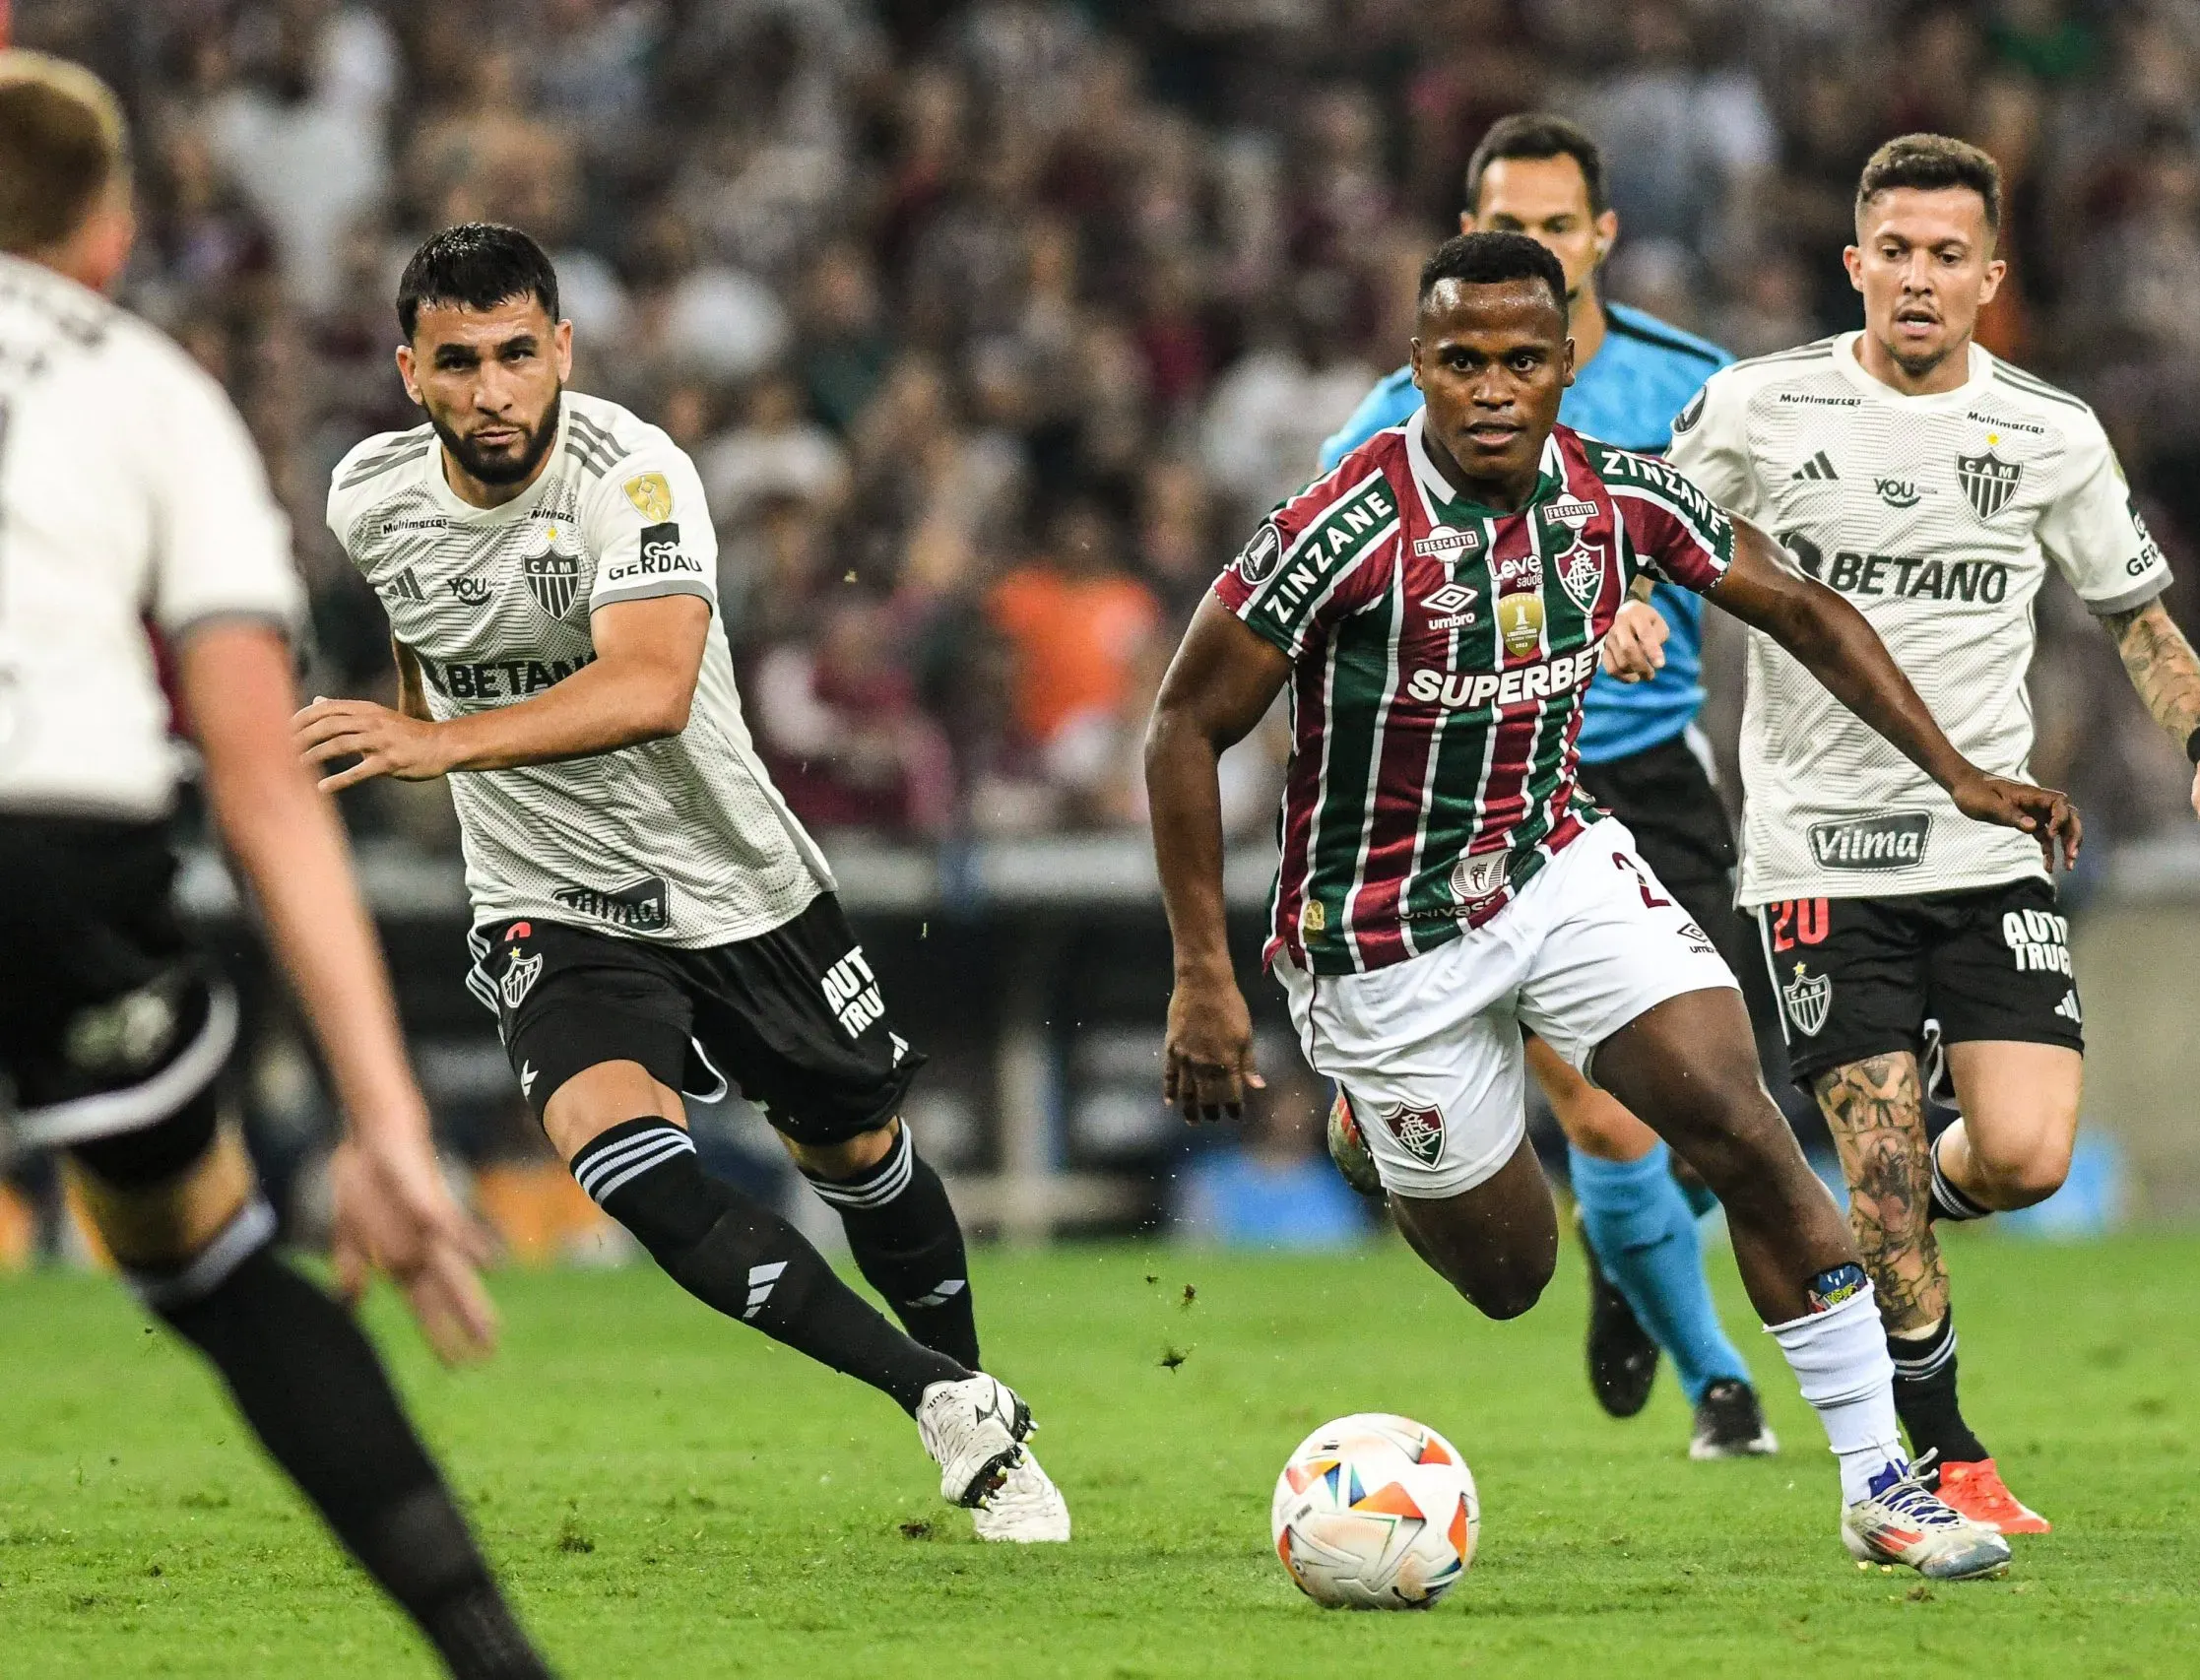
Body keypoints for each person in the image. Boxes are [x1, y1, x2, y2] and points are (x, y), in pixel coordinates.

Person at [1147, 229, 2085, 1580]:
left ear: (1561, 370)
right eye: (1459, 359)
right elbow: (1183, 727)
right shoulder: (1339, 531)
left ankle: (1884, 1481)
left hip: (1552, 862)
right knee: (1513, 1273)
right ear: (1417, 366)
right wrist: (1203, 972)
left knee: (1742, 1125)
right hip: (1382, 941)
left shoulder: (1615, 502)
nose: (1489, 387)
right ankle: (1374, 1124)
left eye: (1521, 360)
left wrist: (1961, 773)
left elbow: (1806, 609)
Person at [300, 223, 1068, 1542]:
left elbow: (651, 688)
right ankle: (945, 1407)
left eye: (519, 356)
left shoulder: (636, 476)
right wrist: (412, 727)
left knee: (857, 1153)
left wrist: (433, 745)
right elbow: (435, 649)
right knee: (628, 1163)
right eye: (461, 362)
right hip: (548, 899)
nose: (494, 391)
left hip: (733, 882)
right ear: (409, 372)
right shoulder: (366, 498)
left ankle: (976, 1384)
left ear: (565, 352)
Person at [1609, 134, 2200, 1533]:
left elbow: (2138, 617)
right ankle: (1943, 1451)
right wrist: (1625, 607)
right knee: (1875, 1163)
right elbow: (1628, 520)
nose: (1919, 280)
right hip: (1815, 855)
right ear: (1853, 262)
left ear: (1991, 278)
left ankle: (1888, 1213)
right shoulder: (1760, 405)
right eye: (1896, 252)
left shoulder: (2050, 431)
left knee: (2029, 1155)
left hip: (1990, 849)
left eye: (1949, 257)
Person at [0, 53, 550, 1678]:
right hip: (62, 842)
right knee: (222, 1264)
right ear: (110, 233)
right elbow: (263, 776)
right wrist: (384, 1123)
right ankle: (496, 1661)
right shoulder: (151, 390)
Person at [1319, 111, 1778, 1456]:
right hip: (1487, 791)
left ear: (1603, 236)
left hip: (1657, 770)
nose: (1537, 248)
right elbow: (1314, 588)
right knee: (1601, 1103)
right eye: (1506, 225)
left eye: (1559, 227)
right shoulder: (1403, 408)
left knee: (1709, 1107)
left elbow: (1772, 563)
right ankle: (1721, 1385)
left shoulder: (1699, 387)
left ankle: (1630, 1253)